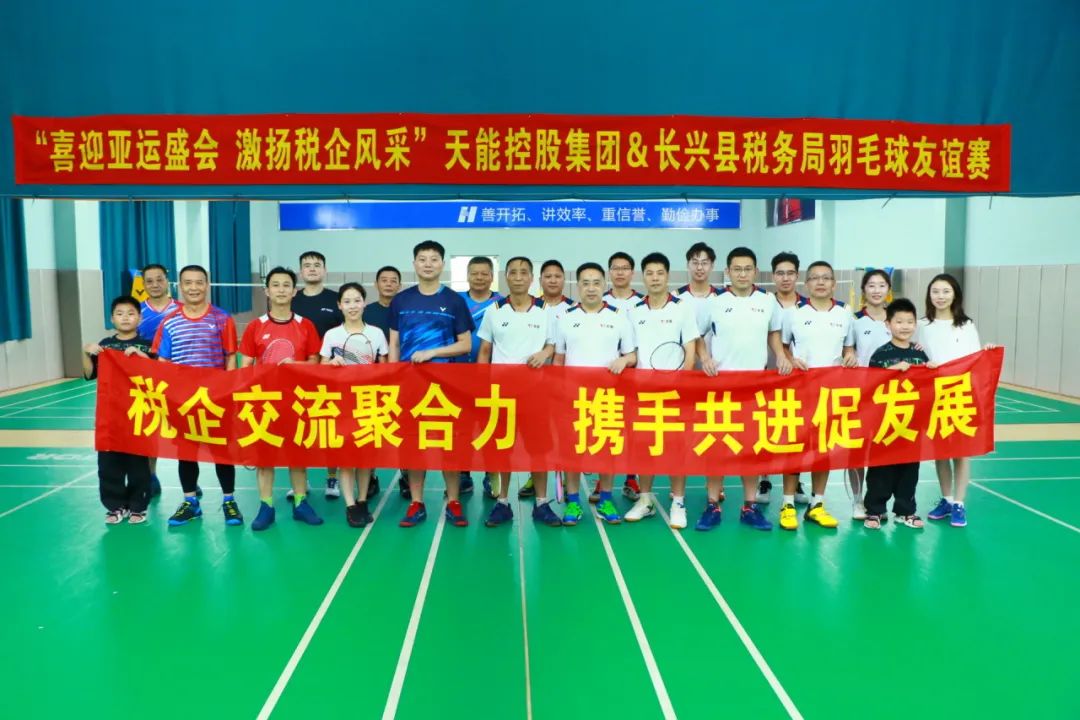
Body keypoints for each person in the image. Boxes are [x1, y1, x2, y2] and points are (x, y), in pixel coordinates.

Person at [699, 247, 790, 532]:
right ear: (727, 271)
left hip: (754, 388)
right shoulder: (714, 302)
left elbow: (774, 334)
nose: (742, 274)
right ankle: (712, 504)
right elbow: (697, 336)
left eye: (747, 269)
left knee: (750, 449)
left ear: (755, 271)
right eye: (736, 269)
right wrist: (705, 358)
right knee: (717, 447)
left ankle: (749, 507)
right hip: (720, 388)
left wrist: (781, 355)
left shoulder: (768, 301)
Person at [388, 240, 474, 528]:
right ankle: (417, 502)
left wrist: (433, 352)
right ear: (414, 264)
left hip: (445, 388)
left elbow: (465, 344)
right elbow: (394, 344)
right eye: (422, 259)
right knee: (415, 445)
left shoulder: (454, 301)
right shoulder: (401, 301)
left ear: (442, 264)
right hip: (410, 387)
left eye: (434, 259)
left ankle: (453, 501)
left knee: (449, 445)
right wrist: (393, 379)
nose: (428, 264)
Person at [152, 265, 243, 527]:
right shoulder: (169, 321)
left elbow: (230, 359)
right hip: (183, 403)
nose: (194, 288)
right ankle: (190, 502)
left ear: (207, 285)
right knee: (186, 453)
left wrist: (227, 394)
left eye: (199, 282)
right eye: (188, 283)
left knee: (221, 452)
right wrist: (172, 396)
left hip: (215, 401)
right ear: (180, 286)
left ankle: (229, 501)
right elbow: (163, 362)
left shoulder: (222, 319)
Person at [476, 256, 562, 527]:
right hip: (501, 395)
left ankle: (541, 503)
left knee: (538, 449)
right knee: (503, 448)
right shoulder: (494, 310)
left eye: (524, 272)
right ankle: (502, 503)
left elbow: (552, 345)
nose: (518, 277)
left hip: (536, 393)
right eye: (513, 272)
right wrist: (482, 388)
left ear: (531, 278)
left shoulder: (545, 310)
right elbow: (485, 351)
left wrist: (544, 354)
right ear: (506, 278)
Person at [552, 262, 637, 525]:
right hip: (573, 398)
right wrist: (558, 394)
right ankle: (573, 502)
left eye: (596, 283)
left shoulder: (619, 317)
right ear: (578, 286)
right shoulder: (565, 318)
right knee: (573, 451)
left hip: (607, 398)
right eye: (586, 283)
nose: (591, 288)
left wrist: (623, 360)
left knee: (606, 448)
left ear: (604, 285)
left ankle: (605, 499)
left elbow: (632, 355)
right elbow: (558, 359)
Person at [239, 267, 324, 531]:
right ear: (267, 291)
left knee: (297, 455)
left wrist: (295, 366)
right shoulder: (255, 326)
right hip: (264, 402)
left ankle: (300, 503)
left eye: (286, 285)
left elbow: (315, 362)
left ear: (294, 291)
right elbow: (246, 366)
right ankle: (266, 506)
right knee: (265, 457)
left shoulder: (306, 325)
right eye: (275, 285)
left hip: (297, 401)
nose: (281, 289)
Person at [622, 252, 699, 529]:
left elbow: (690, 350)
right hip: (643, 393)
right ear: (643, 277)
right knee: (645, 448)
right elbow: (631, 352)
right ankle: (645, 500)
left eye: (660, 273)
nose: (655, 278)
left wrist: (682, 383)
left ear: (668, 276)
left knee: (676, 449)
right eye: (650, 273)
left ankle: (678, 502)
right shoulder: (634, 311)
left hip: (674, 394)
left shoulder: (682, 308)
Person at [780, 260, 857, 531]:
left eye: (826, 278)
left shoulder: (845, 313)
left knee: (823, 450)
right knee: (795, 448)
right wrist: (791, 359)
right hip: (799, 392)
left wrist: (850, 356)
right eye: (815, 278)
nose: (820, 282)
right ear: (807, 284)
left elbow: (849, 348)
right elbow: (783, 347)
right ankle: (788, 504)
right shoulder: (793, 313)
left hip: (831, 393)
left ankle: (817, 505)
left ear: (834, 284)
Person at [916, 273, 997, 528]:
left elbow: (975, 357)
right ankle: (947, 499)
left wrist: (987, 351)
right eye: (935, 291)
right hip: (934, 395)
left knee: (961, 452)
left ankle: (960, 504)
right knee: (941, 451)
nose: (940, 296)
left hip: (961, 394)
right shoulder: (921, 325)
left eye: (946, 291)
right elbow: (917, 357)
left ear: (955, 295)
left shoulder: (966, 325)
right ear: (929, 295)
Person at [322, 282, 389, 527]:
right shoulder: (332, 335)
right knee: (347, 457)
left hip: (369, 403)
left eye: (357, 300)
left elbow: (385, 368)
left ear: (364, 303)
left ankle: (362, 500)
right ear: (340, 305)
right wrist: (331, 364)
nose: (352, 306)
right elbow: (321, 368)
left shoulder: (377, 334)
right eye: (347, 301)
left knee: (365, 458)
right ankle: (350, 505)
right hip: (341, 404)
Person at [83, 296, 154, 524]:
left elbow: (158, 375)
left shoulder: (148, 345)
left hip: (138, 414)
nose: (125, 317)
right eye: (120, 313)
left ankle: (138, 506)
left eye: (131, 313)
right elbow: (89, 375)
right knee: (108, 465)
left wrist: (143, 357)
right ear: (112, 318)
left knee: (138, 465)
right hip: (111, 416)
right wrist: (86, 353)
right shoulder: (105, 345)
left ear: (139, 318)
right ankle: (115, 506)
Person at [864, 298, 931, 530]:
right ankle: (875, 510)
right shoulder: (880, 354)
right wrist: (891, 371)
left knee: (910, 469)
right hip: (885, 423)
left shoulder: (920, 355)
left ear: (915, 325)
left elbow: (928, 388)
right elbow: (869, 386)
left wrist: (933, 369)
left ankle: (906, 511)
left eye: (909, 322)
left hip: (911, 424)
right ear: (888, 324)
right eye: (899, 321)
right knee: (880, 469)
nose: (904, 326)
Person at [291, 250, 346, 500]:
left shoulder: (335, 299)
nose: (312, 269)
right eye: (307, 265)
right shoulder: (292, 300)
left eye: (317, 265)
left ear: (325, 270)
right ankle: (300, 480)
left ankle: (332, 478)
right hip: (299, 375)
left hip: (330, 374)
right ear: (301, 271)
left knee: (330, 428)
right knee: (299, 429)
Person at [519, 259, 574, 500]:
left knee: (566, 435)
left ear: (564, 279)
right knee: (537, 438)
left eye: (557, 276)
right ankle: (536, 477)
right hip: (534, 385)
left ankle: (568, 481)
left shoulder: (574, 309)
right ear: (539, 280)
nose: (553, 280)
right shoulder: (531, 307)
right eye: (548, 276)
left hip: (565, 385)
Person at [760, 251, 811, 506]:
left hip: (798, 383)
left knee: (794, 434)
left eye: (790, 273)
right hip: (764, 379)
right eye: (780, 273)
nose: (785, 278)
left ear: (797, 276)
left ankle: (795, 481)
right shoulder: (763, 303)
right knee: (765, 431)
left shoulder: (807, 307)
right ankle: (764, 479)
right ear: (773, 276)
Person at [848, 269, 894, 520]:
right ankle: (857, 501)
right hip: (860, 396)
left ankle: (876, 502)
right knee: (857, 450)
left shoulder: (897, 319)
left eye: (882, 285)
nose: (877, 290)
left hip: (891, 397)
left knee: (883, 451)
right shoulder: (854, 320)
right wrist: (848, 355)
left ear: (888, 289)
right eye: (871, 286)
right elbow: (846, 350)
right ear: (864, 290)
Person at [456, 256, 503, 498]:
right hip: (459, 376)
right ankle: (463, 474)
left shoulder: (502, 303)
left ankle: (489, 474)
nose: (479, 278)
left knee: (490, 428)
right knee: (462, 428)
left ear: (492, 277)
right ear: (467, 275)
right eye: (475, 273)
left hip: (492, 379)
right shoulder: (456, 301)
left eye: (485, 273)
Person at [601, 251, 645, 502]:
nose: (620, 272)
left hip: (635, 376)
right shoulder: (599, 301)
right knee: (606, 426)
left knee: (632, 429)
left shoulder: (642, 303)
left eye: (625, 268)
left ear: (632, 272)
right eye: (615, 268)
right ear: (609, 272)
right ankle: (602, 480)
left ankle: (631, 476)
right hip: (606, 378)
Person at [137, 263, 179, 497]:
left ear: (167, 281)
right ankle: (150, 475)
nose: (155, 284)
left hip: (178, 381)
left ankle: (189, 478)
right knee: (150, 430)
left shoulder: (182, 309)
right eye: (149, 281)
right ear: (143, 284)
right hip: (148, 382)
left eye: (159, 279)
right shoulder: (137, 311)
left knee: (184, 431)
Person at [362, 264, 402, 498]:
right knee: (372, 431)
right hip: (372, 383)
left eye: (393, 280)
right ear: (376, 284)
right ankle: (371, 477)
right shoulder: (365, 312)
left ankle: (407, 476)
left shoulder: (405, 310)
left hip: (402, 380)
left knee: (403, 432)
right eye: (384, 280)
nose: (388, 284)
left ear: (400, 285)